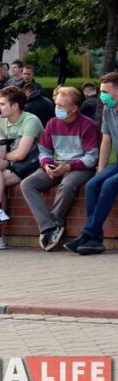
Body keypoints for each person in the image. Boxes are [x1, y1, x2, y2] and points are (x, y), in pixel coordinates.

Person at [20, 86, 98, 251]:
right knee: (27, 184)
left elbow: (92, 158)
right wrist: (47, 164)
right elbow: (44, 150)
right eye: (56, 105)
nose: (57, 109)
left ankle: (56, 223)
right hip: (57, 164)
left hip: (80, 167)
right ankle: (48, 227)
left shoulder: (88, 125)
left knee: (68, 184)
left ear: (74, 108)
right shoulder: (52, 124)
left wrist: (69, 166)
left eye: (61, 106)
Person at [0, 85, 44, 250]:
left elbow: (21, 154)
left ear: (15, 106)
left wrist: (6, 156)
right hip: (14, 166)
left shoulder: (30, 120)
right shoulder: (1, 123)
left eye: (2, 104)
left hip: (32, 165)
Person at [67, 72, 118, 254]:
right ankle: (94, 239)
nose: (102, 95)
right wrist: (101, 169)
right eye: (101, 90)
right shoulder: (108, 109)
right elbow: (106, 140)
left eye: (106, 91)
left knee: (110, 184)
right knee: (92, 185)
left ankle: (88, 234)